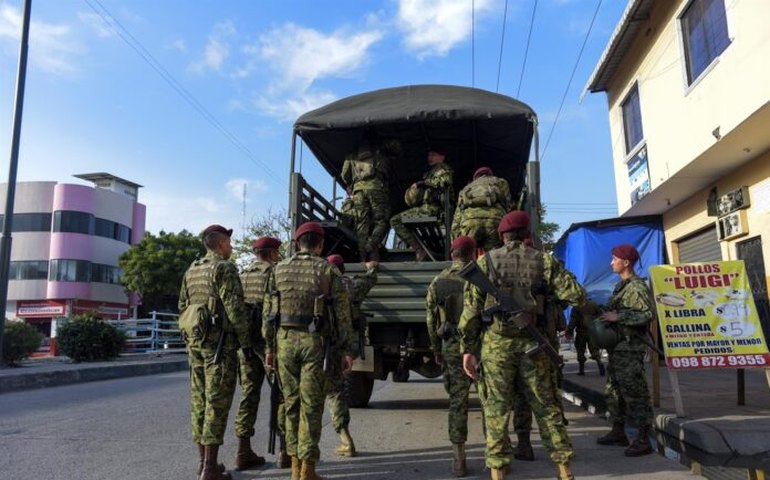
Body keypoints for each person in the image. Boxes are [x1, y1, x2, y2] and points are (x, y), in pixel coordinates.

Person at [458, 211, 586, 480]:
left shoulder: (485, 261)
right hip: (534, 344)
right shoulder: (544, 262)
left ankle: (497, 472)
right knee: (547, 407)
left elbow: (470, 313)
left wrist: (468, 350)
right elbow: (576, 294)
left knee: (496, 410)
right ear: (527, 234)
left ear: (502, 235)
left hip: (496, 345)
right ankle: (564, 470)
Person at [262, 221, 354, 480]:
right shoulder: (328, 270)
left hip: (284, 342)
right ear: (321, 244)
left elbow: (268, 315)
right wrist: (347, 350)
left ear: (296, 243)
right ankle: (308, 471)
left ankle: (294, 469)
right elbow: (342, 314)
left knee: (291, 405)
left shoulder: (277, 269)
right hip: (315, 344)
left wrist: (269, 347)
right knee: (311, 407)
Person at [178, 224, 255, 480]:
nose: (231, 248)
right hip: (219, 346)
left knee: (199, 403)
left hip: (195, 343)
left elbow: (182, 305)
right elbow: (235, 310)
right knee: (216, 405)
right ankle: (210, 470)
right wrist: (246, 343)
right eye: (230, 243)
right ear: (221, 244)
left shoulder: (192, 269)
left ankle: (203, 463)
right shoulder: (224, 268)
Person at [596, 243, 655, 457]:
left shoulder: (637, 286)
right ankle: (618, 431)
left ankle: (643, 439)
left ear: (626, 262)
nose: (611, 262)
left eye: (614, 258)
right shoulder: (621, 286)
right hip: (617, 349)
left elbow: (647, 315)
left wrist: (619, 317)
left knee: (635, 393)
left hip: (630, 349)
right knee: (614, 392)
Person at [426, 236, 477, 477]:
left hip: (451, 345)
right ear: (473, 253)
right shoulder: (482, 277)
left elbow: (431, 320)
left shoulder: (438, 281)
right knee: (490, 400)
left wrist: (436, 348)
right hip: (479, 347)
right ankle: (500, 457)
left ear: (452, 252)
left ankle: (459, 459)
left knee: (458, 400)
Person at [325, 254, 379, 457]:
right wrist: (371, 267)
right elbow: (370, 278)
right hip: (345, 345)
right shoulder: (351, 285)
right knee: (336, 392)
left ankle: (292, 453)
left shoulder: (319, 284)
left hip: (320, 344)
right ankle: (345, 439)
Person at [235, 237, 282, 470]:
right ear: (273, 253)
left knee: (248, 396)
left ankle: (243, 451)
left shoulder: (242, 276)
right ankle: (286, 452)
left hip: (245, 344)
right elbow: (274, 311)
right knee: (281, 395)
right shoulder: (274, 273)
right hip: (269, 344)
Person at [340, 137, 399, 261]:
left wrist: (353, 185)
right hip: (377, 188)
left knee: (361, 225)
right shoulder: (380, 151)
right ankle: (372, 245)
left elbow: (344, 175)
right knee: (381, 220)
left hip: (358, 192)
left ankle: (362, 258)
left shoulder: (352, 154)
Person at [390, 147, 454, 261]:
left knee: (395, 221)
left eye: (433, 154)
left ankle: (419, 249)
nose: (430, 157)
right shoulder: (431, 172)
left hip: (433, 209)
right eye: (429, 155)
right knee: (395, 220)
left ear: (442, 157)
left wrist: (423, 183)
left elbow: (444, 183)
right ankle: (419, 248)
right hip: (426, 207)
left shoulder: (444, 169)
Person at [451, 167, 512, 252]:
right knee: (492, 256)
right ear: (490, 175)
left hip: (470, 223)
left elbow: (457, 216)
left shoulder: (466, 188)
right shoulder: (500, 182)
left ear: (475, 177)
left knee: (466, 254)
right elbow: (508, 205)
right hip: (494, 222)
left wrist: (455, 237)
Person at [565, 304, 605, 376]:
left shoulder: (576, 307)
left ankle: (581, 370)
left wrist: (569, 331)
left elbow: (573, 321)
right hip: (593, 331)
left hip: (581, 332)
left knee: (580, 350)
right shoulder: (594, 305)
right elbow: (601, 317)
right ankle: (600, 363)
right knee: (594, 350)